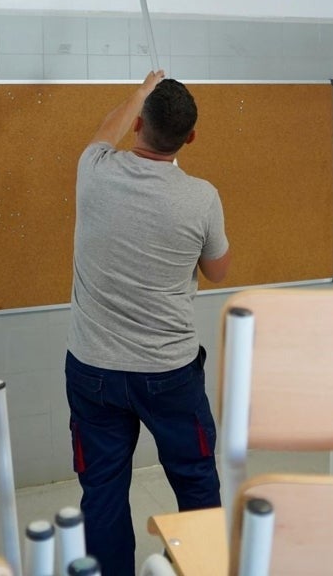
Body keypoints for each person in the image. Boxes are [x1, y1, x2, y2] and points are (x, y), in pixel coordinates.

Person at [65, 70, 232, 576]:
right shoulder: (202, 197)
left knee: (103, 487)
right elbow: (218, 270)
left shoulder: (94, 169)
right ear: (191, 137)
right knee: (196, 479)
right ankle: (205, 566)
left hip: (94, 371)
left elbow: (103, 131)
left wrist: (140, 91)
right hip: (170, 374)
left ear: (138, 123)